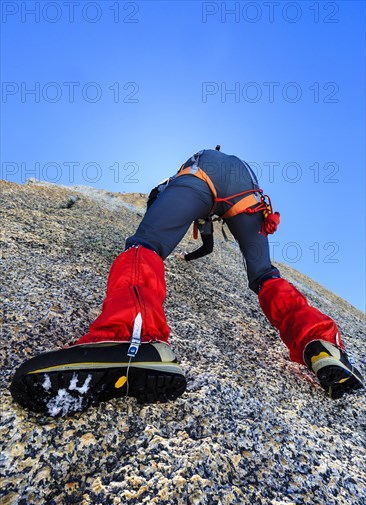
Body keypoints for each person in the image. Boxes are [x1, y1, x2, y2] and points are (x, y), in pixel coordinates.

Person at [10, 147, 364, 416]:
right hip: (250, 196)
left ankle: (130, 339)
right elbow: (207, 243)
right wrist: (189, 257)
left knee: (143, 245)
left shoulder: (177, 183)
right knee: (264, 274)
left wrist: (167, 228)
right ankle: (320, 343)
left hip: (201, 176)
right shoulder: (227, 173)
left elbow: (166, 225)